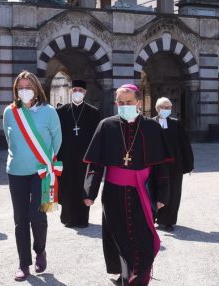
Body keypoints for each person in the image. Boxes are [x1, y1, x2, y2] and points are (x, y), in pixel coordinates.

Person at [83, 84, 172, 286]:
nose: (124, 106)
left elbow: (160, 166)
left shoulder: (151, 127)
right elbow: (96, 163)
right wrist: (90, 191)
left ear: (138, 103)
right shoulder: (106, 126)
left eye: (129, 102)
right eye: (120, 103)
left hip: (143, 192)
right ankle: (129, 278)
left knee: (144, 242)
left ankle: (136, 278)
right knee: (121, 239)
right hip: (114, 193)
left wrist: (161, 196)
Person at [3, 71, 62, 282]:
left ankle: (40, 250)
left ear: (36, 89)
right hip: (16, 172)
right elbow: (9, 141)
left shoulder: (49, 112)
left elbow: (57, 140)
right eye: (20, 88)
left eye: (28, 87)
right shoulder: (9, 112)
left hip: (41, 172)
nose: (24, 91)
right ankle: (23, 263)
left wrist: (47, 162)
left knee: (38, 216)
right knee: (20, 220)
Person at [56, 79, 101, 228]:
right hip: (65, 157)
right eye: (74, 90)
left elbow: (97, 137)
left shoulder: (93, 112)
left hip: (85, 158)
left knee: (83, 186)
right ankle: (67, 217)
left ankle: (82, 219)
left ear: (85, 93)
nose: (77, 93)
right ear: (70, 92)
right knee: (67, 186)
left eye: (80, 91)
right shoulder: (61, 111)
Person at [152, 97, 194, 232]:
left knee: (173, 192)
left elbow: (185, 145)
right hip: (155, 166)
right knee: (154, 191)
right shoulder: (150, 123)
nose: (165, 110)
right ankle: (154, 216)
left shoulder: (176, 124)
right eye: (163, 107)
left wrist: (189, 164)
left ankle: (168, 220)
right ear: (157, 108)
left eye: (168, 107)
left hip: (174, 166)